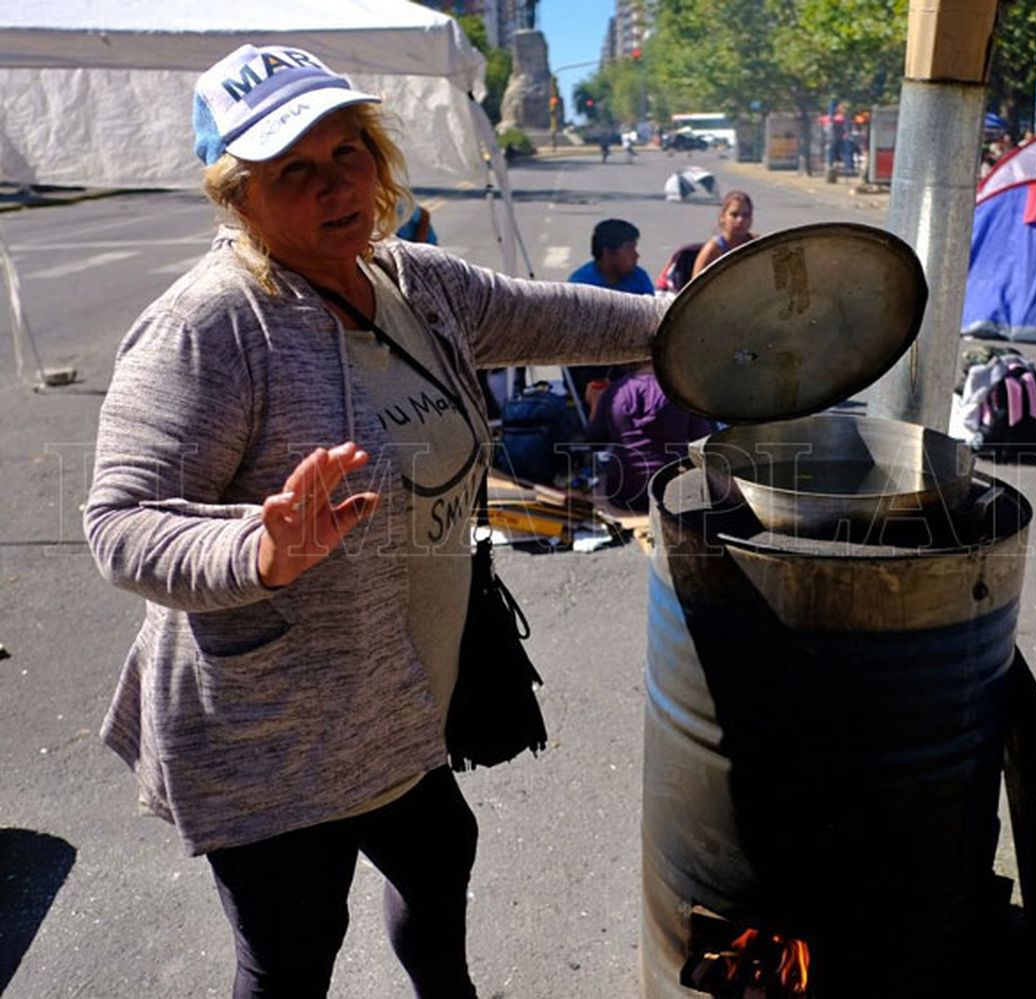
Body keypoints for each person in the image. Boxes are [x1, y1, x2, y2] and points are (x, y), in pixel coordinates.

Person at [84, 43, 666, 998]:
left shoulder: (413, 281)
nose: (334, 187)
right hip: (273, 732)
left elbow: (557, 315)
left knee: (441, 861)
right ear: (237, 197)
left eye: (347, 152)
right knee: (292, 952)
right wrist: (258, 548)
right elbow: (122, 522)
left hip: (400, 698)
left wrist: (689, 319)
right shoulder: (213, 325)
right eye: (293, 172)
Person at [584, 361, 716, 512]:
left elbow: (595, 440)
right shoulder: (681, 391)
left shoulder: (614, 392)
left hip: (624, 493)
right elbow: (704, 440)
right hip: (671, 491)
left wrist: (595, 403)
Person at [567, 217, 657, 389]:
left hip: (632, 357)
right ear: (608, 253)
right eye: (629, 248)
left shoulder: (639, 278)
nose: (636, 255)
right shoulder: (581, 284)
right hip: (593, 362)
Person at [691, 190, 757, 278]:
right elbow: (695, 288)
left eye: (746, 215)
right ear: (722, 217)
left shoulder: (756, 244)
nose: (740, 220)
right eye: (734, 215)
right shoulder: (712, 251)